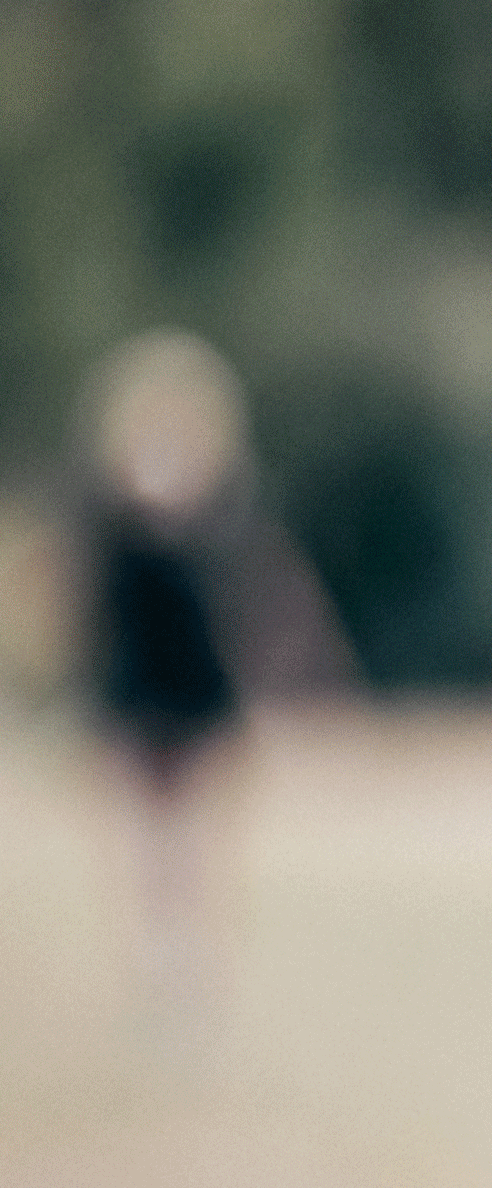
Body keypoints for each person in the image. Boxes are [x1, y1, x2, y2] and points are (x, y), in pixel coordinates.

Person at [73, 330, 352, 1026]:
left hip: (200, 702)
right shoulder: (115, 529)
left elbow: (264, 606)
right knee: (146, 844)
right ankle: (155, 960)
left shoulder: (223, 525)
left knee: (197, 844)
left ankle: (191, 968)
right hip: (136, 702)